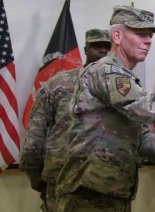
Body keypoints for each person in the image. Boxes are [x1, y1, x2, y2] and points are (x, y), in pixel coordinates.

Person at [55, 6, 155, 212]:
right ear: (117, 36)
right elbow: (149, 109)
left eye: (150, 35)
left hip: (115, 192)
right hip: (88, 193)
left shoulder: (127, 79)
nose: (148, 40)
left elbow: (142, 140)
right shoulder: (106, 71)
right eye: (140, 34)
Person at [21, 29, 111, 212]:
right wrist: (36, 177)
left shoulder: (122, 87)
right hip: (61, 181)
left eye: (107, 47)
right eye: (96, 46)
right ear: (85, 49)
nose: (102, 50)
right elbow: (35, 136)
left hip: (107, 185)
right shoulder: (58, 83)